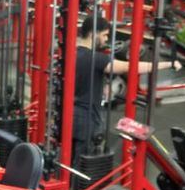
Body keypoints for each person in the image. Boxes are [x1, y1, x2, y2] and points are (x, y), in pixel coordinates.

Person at [72, 14, 176, 158]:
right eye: (104, 35)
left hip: (71, 116)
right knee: (82, 163)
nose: (106, 39)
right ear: (93, 33)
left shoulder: (73, 54)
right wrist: (168, 64)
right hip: (87, 120)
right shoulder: (97, 59)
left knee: (69, 159)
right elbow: (131, 67)